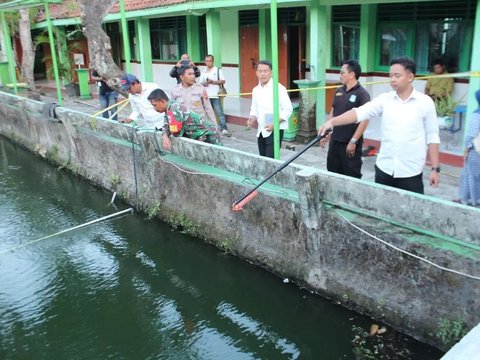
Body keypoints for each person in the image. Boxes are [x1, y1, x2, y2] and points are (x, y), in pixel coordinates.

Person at [318, 56, 441, 194]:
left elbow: (432, 135)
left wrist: (435, 169)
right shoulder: (385, 99)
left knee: (408, 213)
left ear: (410, 77)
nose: (392, 79)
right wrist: (332, 121)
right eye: (390, 76)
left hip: (410, 172)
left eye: (397, 75)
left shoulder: (425, 103)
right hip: (384, 169)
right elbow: (359, 113)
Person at [321, 60, 370, 178]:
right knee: (332, 172)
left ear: (352, 74)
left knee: (350, 175)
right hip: (335, 142)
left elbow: (365, 120)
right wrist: (326, 133)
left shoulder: (362, 94)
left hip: (350, 144)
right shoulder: (339, 91)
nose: (340, 75)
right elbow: (333, 113)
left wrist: (353, 141)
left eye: (342, 72)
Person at [148, 88, 222, 150]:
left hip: (209, 135)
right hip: (200, 136)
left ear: (162, 101)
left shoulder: (174, 109)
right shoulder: (169, 109)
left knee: (220, 159)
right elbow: (166, 125)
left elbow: (176, 132)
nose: (154, 108)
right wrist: (165, 136)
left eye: (155, 105)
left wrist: (166, 136)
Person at [247, 60, 293, 158]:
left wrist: (274, 124)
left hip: (275, 129)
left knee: (271, 159)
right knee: (263, 158)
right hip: (261, 129)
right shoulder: (255, 90)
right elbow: (254, 109)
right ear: (256, 73)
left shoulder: (279, 88)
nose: (262, 74)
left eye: (265, 71)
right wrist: (252, 118)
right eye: (260, 71)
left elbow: (288, 109)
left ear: (271, 72)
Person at [455, 89, 480, 206]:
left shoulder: (477, 114)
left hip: (475, 150)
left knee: (471, 175)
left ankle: (471, 200)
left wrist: (467, 148)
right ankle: (467, 198)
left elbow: (472, 134)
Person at [199, 54, 230, 136]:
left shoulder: (217, 70)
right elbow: (200, 83)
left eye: (210, 61)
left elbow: (223, 81)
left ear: (212, 61)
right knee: (208, 113)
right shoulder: (203, 72)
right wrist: (205, 83)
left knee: (220, 113)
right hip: (206, 96)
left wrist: (213, 82)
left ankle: (224, 128)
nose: (208, 63)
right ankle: (211, 128)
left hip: (215, 95)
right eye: (206, 61)